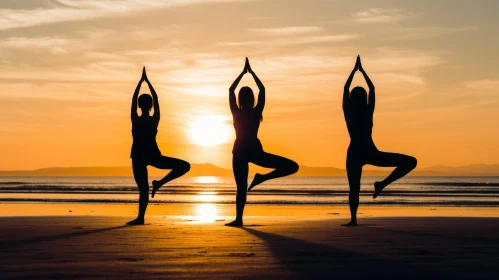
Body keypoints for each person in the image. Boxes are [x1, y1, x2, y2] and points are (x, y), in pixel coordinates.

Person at [342, 56, 417, 227]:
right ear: (364, 98)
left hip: (357, 152)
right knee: (411, 162)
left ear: (352, 99)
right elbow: (372, 88)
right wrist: (362, 71)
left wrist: (354, 70)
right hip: (366, 152)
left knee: (354, 188)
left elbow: (346, 88)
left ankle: (354, 219)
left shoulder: (349, 113)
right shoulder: (366, 112)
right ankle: (381, 185)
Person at [226, 58, 299, 227]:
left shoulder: (240, 112)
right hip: (246, 152)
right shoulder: (254, 112)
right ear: (251, 98)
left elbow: (231, 89)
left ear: (241, 99)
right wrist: (251, 73)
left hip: (245, 151)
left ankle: (239, 217)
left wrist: (243, 73)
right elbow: (262, 89)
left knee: (242, 188)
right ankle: (239, 218)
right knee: (242, 187)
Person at [127, 67, 191, 226]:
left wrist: (141, 82)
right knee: (184, 166)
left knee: (144, 189)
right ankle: (141, 215)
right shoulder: (152, 119)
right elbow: (154, 99)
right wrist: (147, 82)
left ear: (140, 105)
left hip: (147, 156)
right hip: (144, 157)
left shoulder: (137, 119)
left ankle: (156, 188)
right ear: (149, 106)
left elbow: (135, 99)